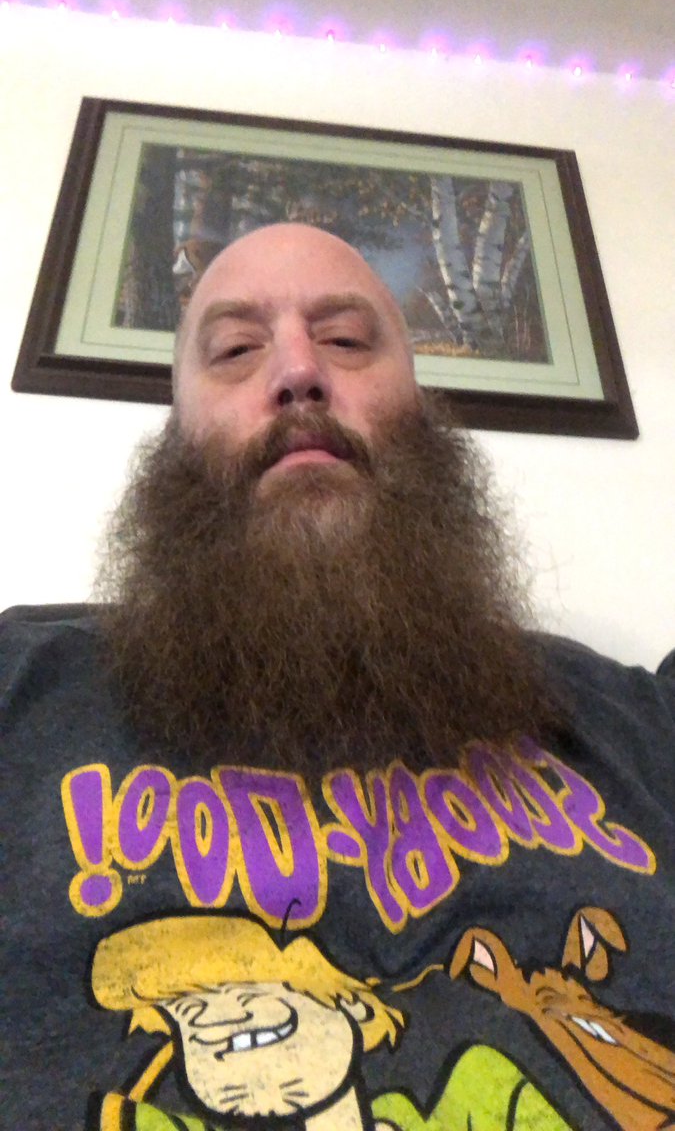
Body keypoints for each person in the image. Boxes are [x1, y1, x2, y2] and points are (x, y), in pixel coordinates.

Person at [1, 223, 673, 1131]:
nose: (298, 371)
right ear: (176, 433)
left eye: (347, 340)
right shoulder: (18, 685)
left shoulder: (640, 722)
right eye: (236, 350)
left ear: (420, 405)